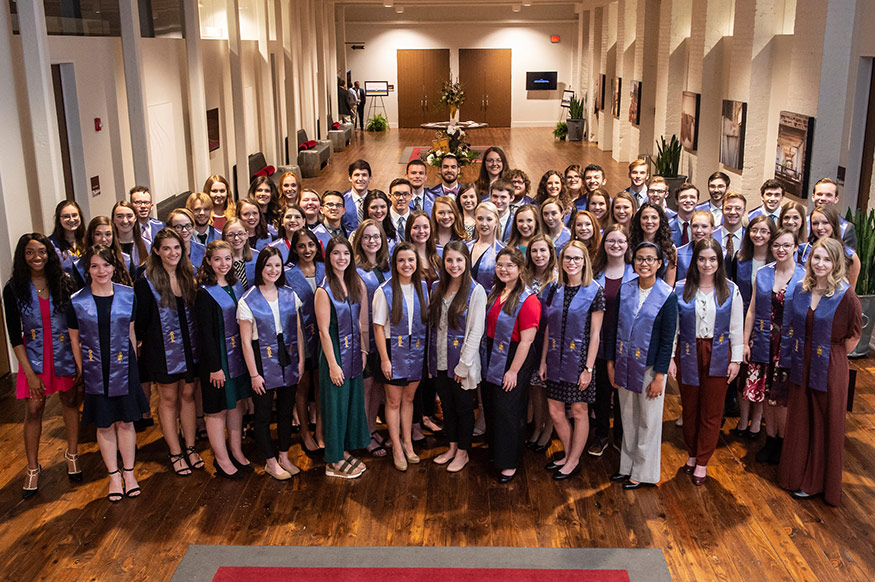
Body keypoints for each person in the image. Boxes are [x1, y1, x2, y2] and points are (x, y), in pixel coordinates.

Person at [778, 238, 861, 506]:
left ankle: (817, 482)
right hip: (802, 362)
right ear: (809, 261)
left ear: (836, 263)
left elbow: (853, 336)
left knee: (826, 424)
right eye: (816, 258)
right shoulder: (801, 290)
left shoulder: (846, 295)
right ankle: (794, 475)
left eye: (827, 259)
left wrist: (832, 358)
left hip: (830, 366)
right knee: (800, 419)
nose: (820, 263)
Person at [68, 245, 148, 502]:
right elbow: (74, 338)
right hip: (94, 369)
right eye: (94, 266)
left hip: (124, 367)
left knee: (125, 421)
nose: (101, 271)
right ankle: (113, 476)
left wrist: (133, 365)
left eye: (106, 265)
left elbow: (132, 332)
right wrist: (82, 370)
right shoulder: (77, 301)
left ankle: (129, 472)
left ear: (114, 267)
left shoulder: (128, 295)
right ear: (87, 269)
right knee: (104, 423)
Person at [4, 234, 81, 499]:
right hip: (33, 356)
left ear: (50, 254)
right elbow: (14, 334)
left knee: (70, 401)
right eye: (30, 252)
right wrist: (28, 372)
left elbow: (75, 324)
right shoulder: (14, 288)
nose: (37, 257)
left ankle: (72, 454)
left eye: (42, 251)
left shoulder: (65, 282)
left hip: (63, 352)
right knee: (34, 409)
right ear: (22, 256)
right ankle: (33, 467)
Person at [670, 237, 744, 485]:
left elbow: (736, 327)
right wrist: (670, 358)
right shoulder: (680, 288)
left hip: (719, 353)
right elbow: (674, 328)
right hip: (688, 351)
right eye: (702, 258)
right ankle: (691, 453)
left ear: (719, 261)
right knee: (690, 408)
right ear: (695, 261)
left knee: (712, 411)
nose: (707, 264)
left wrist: (735, 360)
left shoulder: (731, 289)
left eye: (712, 259)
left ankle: (703, 460)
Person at [608, 241, 677, 488]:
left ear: (659, 264)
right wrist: (610, 364)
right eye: (639, 258)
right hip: (624, 363)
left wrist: (660, 376)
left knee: (648, 420)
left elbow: (667, 339)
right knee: (627, 417)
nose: (644, 263)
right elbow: (612, 329)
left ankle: (643, 472)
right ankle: (626, 466)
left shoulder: (667, 296)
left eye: (650, 259)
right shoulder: (625, 290)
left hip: (650, 369)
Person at [135, 228, 201, 477]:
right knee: (169, 398)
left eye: (176, 248)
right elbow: (141, 321)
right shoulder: (146, 282)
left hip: (190, 345)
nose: (172, 253)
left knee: (188, 393)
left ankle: (191, 446)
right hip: (161, 348)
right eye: (166, 248)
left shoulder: (189, 274)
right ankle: (175, 451)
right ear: (156, 251)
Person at [538, 241, 604, 480]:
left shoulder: (595, 290)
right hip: (555, 357)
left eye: (577, 258)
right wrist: (543, 360)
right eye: (567, 258)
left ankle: (575, 460)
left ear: (584, 261)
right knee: (555, 411)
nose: (572, 263)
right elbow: (548, 328)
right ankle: (568, 453)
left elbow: (596, 333)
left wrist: (588, 368)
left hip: (580, 361)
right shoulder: (555, 288)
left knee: (578, 410)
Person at [238, 246, 305, 480]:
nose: (273, 270)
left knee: (287, 410)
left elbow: (298, 330)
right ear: (260, 268)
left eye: (277, 265)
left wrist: (301, 362)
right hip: (261, 356)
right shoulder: (248, 300)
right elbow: (246, 343)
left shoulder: (289, 294)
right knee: (264, 413)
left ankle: (284, 455)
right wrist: (255, 374)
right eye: (268, 265)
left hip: (288, 354)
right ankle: (269, 461)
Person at [742, 228, 804, 464]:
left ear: (795, 248)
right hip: (763, 341)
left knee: (783, 397)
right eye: (777, 245)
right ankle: (771, 439)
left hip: (788, 346)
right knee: (765, 394)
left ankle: (784, 441)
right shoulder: (764, 273)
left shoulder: (803, 276)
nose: (781, 249)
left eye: (787, 245)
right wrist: (745, 341)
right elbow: (752, 309)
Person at [194, 241, 254, 479]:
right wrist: (215, 367)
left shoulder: (236, 285)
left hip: (237, 357)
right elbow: (205, 335)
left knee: (236, 405)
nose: (223, 264)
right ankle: (221, 458)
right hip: (218, 361)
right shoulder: (204, 293)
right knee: (218, 409)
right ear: (208, 261)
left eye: (227, 259)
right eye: (217, 259)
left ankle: (236, 450)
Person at [481, 247, 541, 483]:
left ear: (520, 269)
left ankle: (509, 462)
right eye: (500, 265)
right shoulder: (496, 292)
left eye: (509, 265)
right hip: (493, 352)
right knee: (493, 406)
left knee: (509, 410)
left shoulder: (528, 300)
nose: (503, 269)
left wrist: (513, 371)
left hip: (514, 357)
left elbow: (527, 341)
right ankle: (497, 453)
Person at [314, 237, 371, 478]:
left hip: (354, 351)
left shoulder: (354, 284)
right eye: (336, 253)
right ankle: (334, 460)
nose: (341, 258)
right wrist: (333, 365)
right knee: (334, 406)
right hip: (335, 352)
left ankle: (343, 449)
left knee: (349, 403)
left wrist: (364, 350)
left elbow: (360, 322)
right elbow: (323, 332)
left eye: (345, 254)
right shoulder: (323, 290)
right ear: (329, 257)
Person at [429, 241, 487, 472]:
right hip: (440, 361)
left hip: (463, 364)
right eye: (449, 260)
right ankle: (452, 448)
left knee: (463, 409)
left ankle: (463, 452)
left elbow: (476, 331)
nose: (454, 265)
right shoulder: (436, 287)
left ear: (466, 262)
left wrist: (463, 366)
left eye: (459, 260)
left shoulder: (476, 291)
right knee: (447, 407)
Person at [373, 243, 429, 472]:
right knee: (394, 401)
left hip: (415, 349)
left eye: (411, 260)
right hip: (392, 350)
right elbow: (377, 327)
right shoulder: (383, 290)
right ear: (395, 264)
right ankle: (396, 446)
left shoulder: (423, 287)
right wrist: (385, 359)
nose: (407, 265)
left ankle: (408, 442)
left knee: (409, 400)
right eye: (402, 261)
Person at [590, 225, 635, 455]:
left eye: (620, 241)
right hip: (597, 340)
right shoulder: (594, 272)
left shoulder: (635, 273)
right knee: (600, 390)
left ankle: (620, 435)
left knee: (621, 392)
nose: (615, 245)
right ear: (603, 244)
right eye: (610, 241)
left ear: (627, 245)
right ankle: (600, 435)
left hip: (624, 343)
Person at [729, 214, 775, 438]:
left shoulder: (775, 263)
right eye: (755, 230)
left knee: (762, 374)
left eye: (764, 231)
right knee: (743, 371)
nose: (759, 235)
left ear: (771, 235)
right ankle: (743, 419)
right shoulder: (740, 259)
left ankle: (757, 421)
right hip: (742, 319)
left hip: (768, 324)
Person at [284, 228, 326, 455]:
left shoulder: (324, 269)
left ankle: (320, 429)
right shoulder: (288, 273)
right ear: (294, 249)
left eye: (311, 245)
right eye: (301, 246)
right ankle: (304, 431)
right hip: (299, 337)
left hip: (323, 336)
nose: (307, 250)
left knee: (320, 385)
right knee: (303, 385)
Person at [352, 220, 392, 457]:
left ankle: (372, 427)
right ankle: (363, 435)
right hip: (366, 336)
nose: (372, 241)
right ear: (359, 240)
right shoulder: (355, 269)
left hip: (386, 336)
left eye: (376, 237)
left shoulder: (388, 266)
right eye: (366, 237)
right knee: (366, 387)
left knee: (378, 386)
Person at [523, 235, 558, 453]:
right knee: (534, 385)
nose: (539, 255)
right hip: (529, 337)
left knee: (550, 387)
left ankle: (548, 430)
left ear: (551, 253)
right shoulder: (525, 276)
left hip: (551, 337)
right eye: (535, 251)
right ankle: (537, 426)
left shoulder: (557, 278)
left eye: (543, 251)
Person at [799, 206, 861, 289]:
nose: (820, 228)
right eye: (815, 223)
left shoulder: (849, 255)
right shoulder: (803, 249)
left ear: (834, 224)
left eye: (825, 222)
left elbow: (851, 292)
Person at [72, 217, 131, 289]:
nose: (103, 239)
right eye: (98, 234)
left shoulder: (125, 260)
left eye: (108, 234)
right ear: (91, 236)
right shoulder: (79, 265)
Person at [629, 203, 676, 286]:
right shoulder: (630, 246)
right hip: (632, 293)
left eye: (654, 217)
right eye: (645, 218)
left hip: (659, 295)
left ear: (660, 220)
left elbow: (669, 285)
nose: (649, 221)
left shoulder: (670, 249)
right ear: (639, 220)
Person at [467, 201, 506, 292]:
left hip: (489, 302)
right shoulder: (466, 247)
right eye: (480, 218)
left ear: (496, 222)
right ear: (475, 220)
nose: (484, 223)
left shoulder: (502, 251)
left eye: (489, 219)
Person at [810, 177, 856, 251]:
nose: (823, 198)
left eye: (829, 195)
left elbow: (849, 259)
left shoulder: (846, 228)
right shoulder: (803, 222)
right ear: (813, 197)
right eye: (819, 194)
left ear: (836, 199)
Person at [676, 210, 723, 281]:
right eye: (695, 226)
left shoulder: (723, 254)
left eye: (704, 226)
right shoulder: (679, 253)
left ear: (712, 228)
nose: (698, 230)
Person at [113, 200, 150, 276]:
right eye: (120, 216)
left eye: (129, 216)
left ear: (135, 218)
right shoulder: (110, 247)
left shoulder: (147, 245)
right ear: (113, 219)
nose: (125, 221)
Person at [48, 200, 85, 274]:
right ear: (59, 219)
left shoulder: (88, 240)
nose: (71, 220)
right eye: (66, 216)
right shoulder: (50, 244)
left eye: (74, 215)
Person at [405, 210, 441, 285]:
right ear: (409, 230)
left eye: (425, 227)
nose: (421, 231)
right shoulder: (404, 258)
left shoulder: (437, 257)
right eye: (416, 227)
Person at [222, 218, 259, 290]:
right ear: (224, 237)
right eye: (230, 235)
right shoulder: (221, 262)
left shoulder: (257, 257)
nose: (236, 238)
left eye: (240, 234)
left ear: (247, 235)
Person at [342, 159, 372, 233]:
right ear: (350, 178)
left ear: (370, 178)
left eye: (364, 175)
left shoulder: (377, 200)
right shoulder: (342, 200)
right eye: (356, 175)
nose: (360, 179)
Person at [669, 182, 700, 247]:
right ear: (676, 201)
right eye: (683, 197)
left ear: (698, 201)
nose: (688, 200)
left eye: (692, 197)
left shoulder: (703, 226)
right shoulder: (668, 226)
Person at [720, 192, 746, 261]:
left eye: (738, 208)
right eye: (728, 208)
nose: (733, 212)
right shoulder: (712, 234)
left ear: (744, 212)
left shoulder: (749, 236)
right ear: (722, 211)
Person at [388, 178, 414, 243]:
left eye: (405, 194)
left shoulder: (417, 218)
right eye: (397, 194)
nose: (401, 198)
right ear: (389, 196)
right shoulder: (383, 218)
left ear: (411, 197)